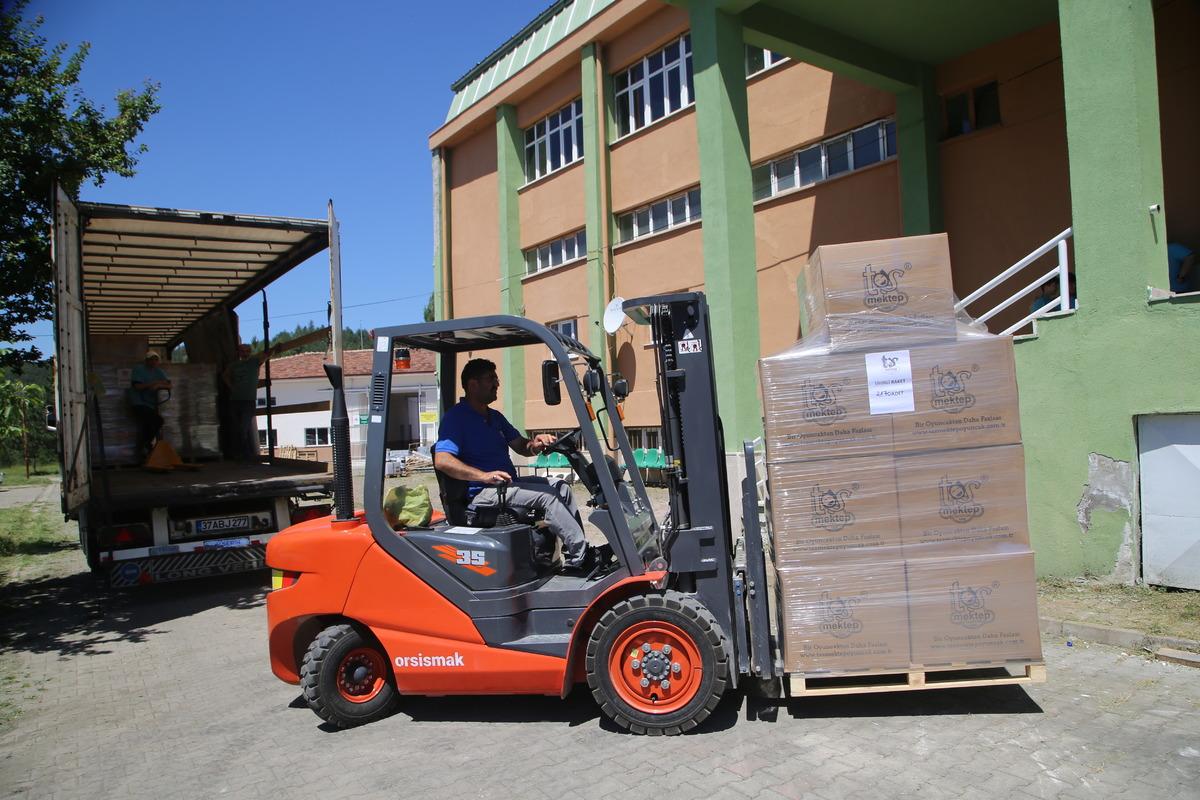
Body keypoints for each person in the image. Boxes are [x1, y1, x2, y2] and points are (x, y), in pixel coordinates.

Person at [432, 358, 591, 572]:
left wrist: (536, 443)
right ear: (472, 385)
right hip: (481, 493)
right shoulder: (456, 418)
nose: (497, 384)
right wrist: (483, 476)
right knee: (547, 496)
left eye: (496, 378)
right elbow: (442, 460)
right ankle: (581, 557)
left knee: (560, 487)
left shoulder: (495, 417)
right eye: (491, 379)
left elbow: (521, 446)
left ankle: (572, 554)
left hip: (506, 485)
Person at [223, 342, 274, 460]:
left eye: (247, 351)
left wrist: (275, 348)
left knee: (243, 427)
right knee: (236, 428)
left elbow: (266, 355)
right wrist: (231, 387)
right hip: (235, 400)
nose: (245, 353)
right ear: (238, 353)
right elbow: (224, 376)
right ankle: (239, 454)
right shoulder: (233, 365)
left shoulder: (254, 362)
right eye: (242, 351)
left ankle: (245, 455)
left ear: (250, 352)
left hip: (248, 400)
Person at [130, 350, 171, 460]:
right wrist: (152, 384)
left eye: (156, 360)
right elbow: (137, 387)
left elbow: (169, 385)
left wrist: (158, 384)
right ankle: (146, 446)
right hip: (139, 402)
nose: (153, 362)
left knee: (152, 424)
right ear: (146, 361)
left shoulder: (158, 371)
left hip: (151, 405)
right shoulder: (139, 369)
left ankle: (145, 448)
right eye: (151, 360)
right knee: (155, 421)